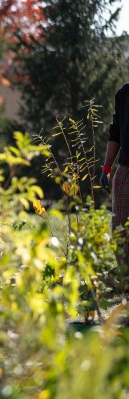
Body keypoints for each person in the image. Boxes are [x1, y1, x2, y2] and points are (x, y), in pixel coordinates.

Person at [101, 82, 129, 280]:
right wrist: (107, 168)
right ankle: (124, 274)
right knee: (119, 227)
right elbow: (116, 132)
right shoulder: (124, 94)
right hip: (125, 169)